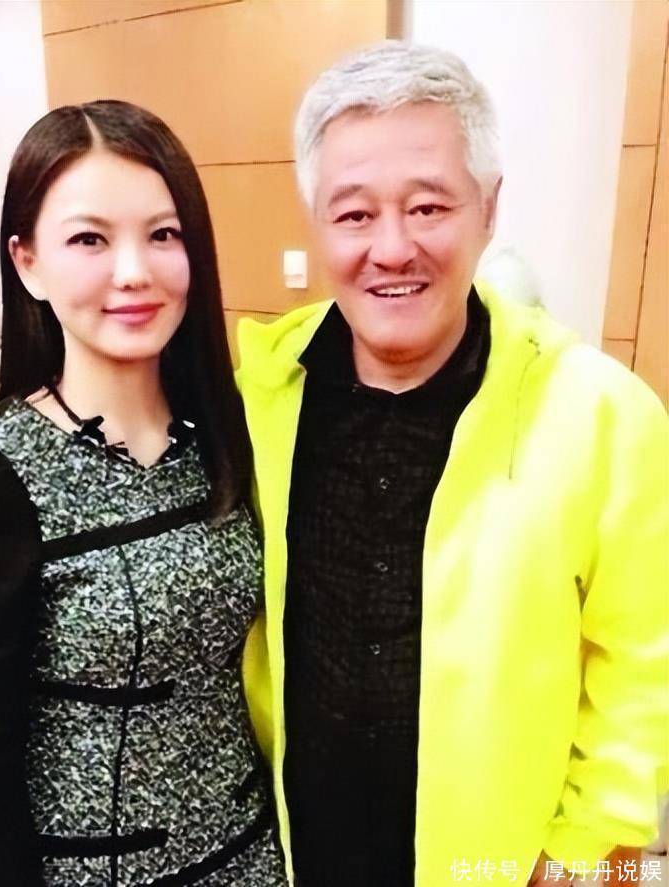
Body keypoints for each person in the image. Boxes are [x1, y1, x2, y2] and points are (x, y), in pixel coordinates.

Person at [238, 41, 668, 887]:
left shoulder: (603, 414)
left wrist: (581, 858)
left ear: (488, 207)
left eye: (428, 206)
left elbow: (642, 662)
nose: (392, 248)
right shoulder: (260, 396)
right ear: (317, 221)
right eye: (354, 215)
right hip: (298, 854)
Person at [0, 100, 286, 887]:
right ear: (27, 262)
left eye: (163, 234)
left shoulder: (231, 433)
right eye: (89, 238)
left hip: (253, 854)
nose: (134, 271)